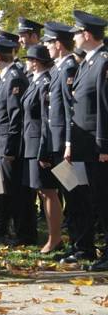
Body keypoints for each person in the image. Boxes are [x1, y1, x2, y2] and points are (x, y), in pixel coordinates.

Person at [41, 21, 92, 263]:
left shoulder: (69, 67)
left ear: (59, 44)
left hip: (66, 145)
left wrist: (69, 143)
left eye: (49, 42)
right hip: (58, 143)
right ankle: (77, 244)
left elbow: (72, 111)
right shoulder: (60, 69)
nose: (46, 47)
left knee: (76, 197)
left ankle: (84, 247)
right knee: (69, 195)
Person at [64, 10, 108, 271]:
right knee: (98, 199)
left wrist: (104, 145)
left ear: (87, 35)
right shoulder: (88, 62)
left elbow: (104, 107)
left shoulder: (103, 61)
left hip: (99, 146)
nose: (75, 38)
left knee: (105, 199)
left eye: (77, 33)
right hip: (88, 146)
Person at [0, 33, 36, 245]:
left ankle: (25, 233)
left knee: (17, 191)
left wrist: (9, 149)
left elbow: (16, 116)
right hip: (0, 142)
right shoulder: (5, 77)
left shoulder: (14, 77)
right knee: (7, 190)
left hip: (10, 145)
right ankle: (13, 229)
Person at [19, 45, 62, 254]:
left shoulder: (45, 83)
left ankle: (55, 238)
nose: (26, 62)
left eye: (29, 59)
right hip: (31, 143)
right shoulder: (35, 81)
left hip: (39, 144)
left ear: (36, 61)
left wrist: (44, 150)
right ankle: (53, 236)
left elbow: (46, 120)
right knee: (41, 191)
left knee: (48, 192)